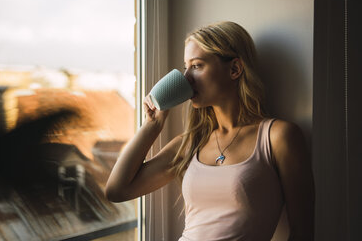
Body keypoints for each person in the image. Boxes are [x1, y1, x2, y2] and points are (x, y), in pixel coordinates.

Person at [105, 21, 315, 241]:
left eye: (196, 66)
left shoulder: (278, 137)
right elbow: (118, 190)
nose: (185, 78)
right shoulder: (190, 143)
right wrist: (152, 127)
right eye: (186, 67)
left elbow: (303, 232)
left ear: (234, 69)